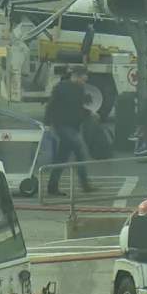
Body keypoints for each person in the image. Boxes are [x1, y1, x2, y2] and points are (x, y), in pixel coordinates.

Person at [44, 65, 96, 196]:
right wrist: (47, 123)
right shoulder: (61, 87)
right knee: (80, 150)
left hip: (72, 126)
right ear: (77, 76)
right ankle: (85, 185)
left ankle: (52, 186)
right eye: (84, 77)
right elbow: (51, 105)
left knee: (62, 157)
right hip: (63, 125)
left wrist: (89, 113)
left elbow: (77, 108)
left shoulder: (79, 88)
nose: (86, 79)